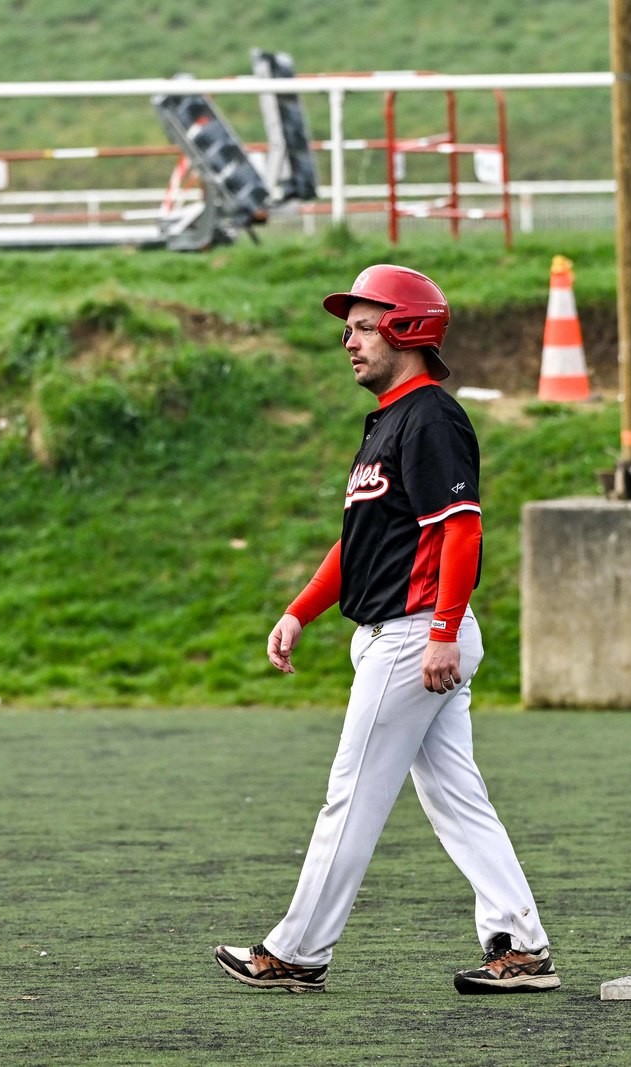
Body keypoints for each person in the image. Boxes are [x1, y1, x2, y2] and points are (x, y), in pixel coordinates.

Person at [214, 264, 559, 995]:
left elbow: (461, 531)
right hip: (407, 630)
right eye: (348, 326)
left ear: (408, 328)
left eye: (365, 324)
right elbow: (361, 544)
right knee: (456, 798)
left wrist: (441, 628)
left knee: (353, 792)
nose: (349, 339)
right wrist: (299, 610)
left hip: (414, 635)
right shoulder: (392, 420)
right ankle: (522, 946)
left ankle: (298, 948)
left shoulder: (430, 414)